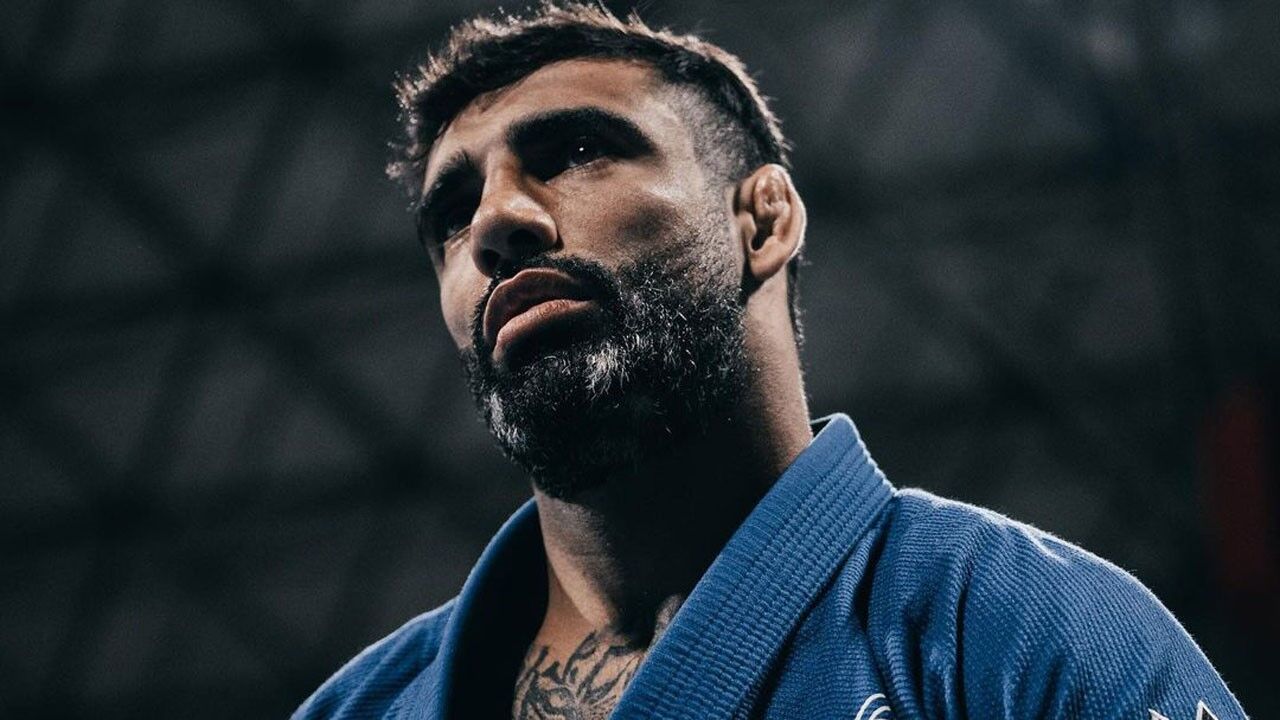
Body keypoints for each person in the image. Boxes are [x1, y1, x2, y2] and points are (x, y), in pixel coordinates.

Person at [295, 3, 1247, 718]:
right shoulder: (356, 708)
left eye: (577, 150)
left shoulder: (1016, 629)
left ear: (763, 220)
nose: (495, 223)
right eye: (451, 213)